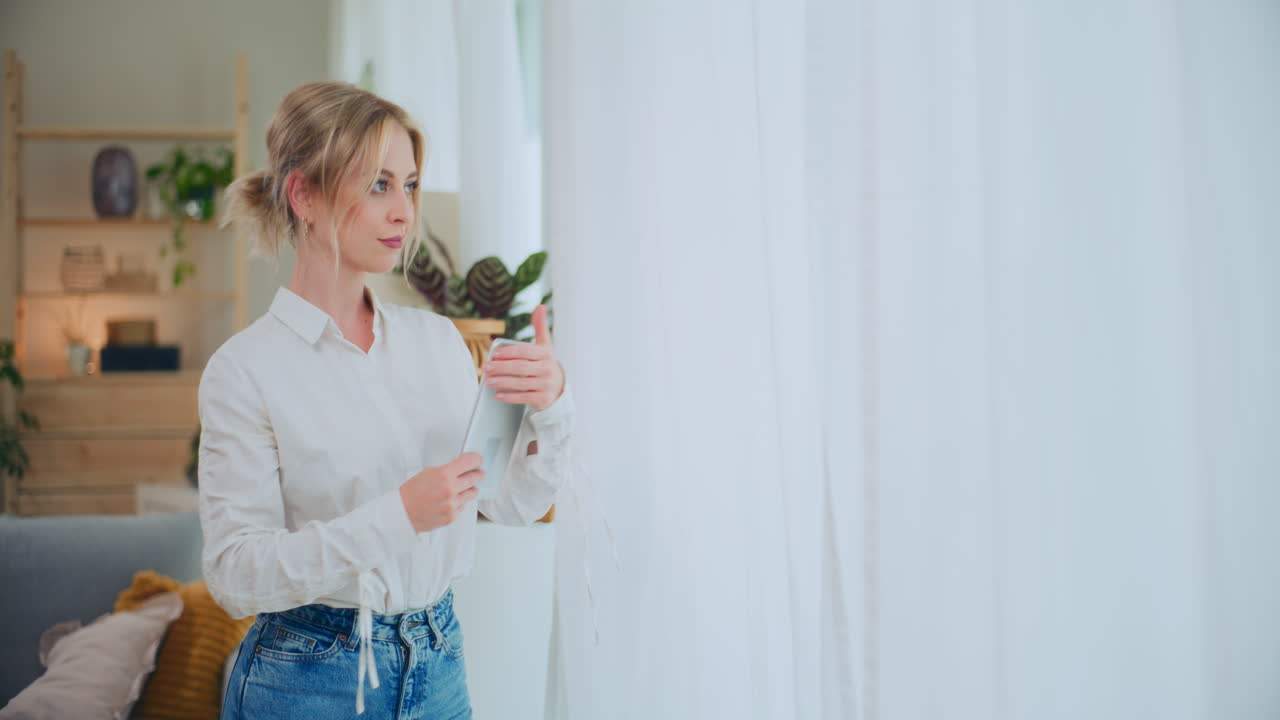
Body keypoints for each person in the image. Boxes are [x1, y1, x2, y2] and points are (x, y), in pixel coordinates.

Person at [200, 81, 572, 719]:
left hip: (439, 666)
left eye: (410, 184)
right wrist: (397, 516)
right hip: (303, 681)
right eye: (378, 185)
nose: (404, 210)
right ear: (304, 195)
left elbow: (511, 501)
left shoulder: (439, 344)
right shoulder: (244, 371)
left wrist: (550, 408)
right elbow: (236, 576)